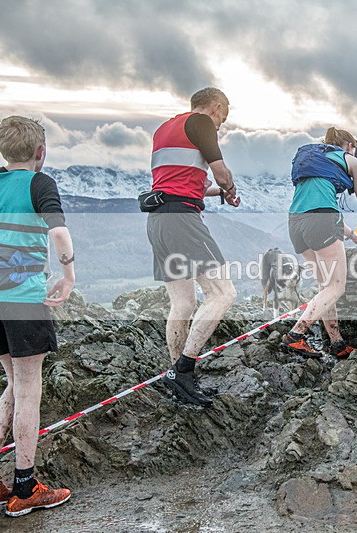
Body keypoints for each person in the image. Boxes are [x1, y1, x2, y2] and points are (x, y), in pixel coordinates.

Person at [0, 116, 74, 516]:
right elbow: (58, 233)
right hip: (23, 300)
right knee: (28, 390)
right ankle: (25, 487)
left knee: (12, 384)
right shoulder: (39, 183)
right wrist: (68, 274)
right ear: (40, 152)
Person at [146, 87, 240, 406]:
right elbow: (221, 173)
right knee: (223, 293)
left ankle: (177, 376)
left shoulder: (164, 129)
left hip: (158, 219)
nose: (220, 126)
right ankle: (184, 369)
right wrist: (229, 187)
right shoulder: (201, 122)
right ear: (216, 107)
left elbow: (183, 182)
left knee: (183, 303)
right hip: (182, 219)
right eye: (223, 119)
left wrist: (218, 193)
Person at [282, 128, 357, 358]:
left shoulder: (313, 159)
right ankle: (295, 335)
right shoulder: (352, 161)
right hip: (323, 221)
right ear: (350, 145)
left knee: (326, 287)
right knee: (336, 287)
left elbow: (315, 206)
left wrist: (354, 237)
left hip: (295, 222)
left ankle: (337, 343)